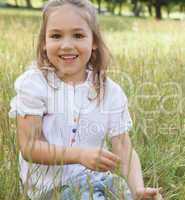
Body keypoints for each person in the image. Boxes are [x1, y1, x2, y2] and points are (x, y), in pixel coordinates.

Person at [9, 0, 162, 199]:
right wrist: (79, 155)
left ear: (94, 41)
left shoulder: (109, 91)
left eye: (78, 35)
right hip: (51, 189)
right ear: (45, 43)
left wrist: (137, 189)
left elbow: (124, 147)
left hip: (97, 180)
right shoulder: (35, 84)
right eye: (56, 36)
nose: (66, 45)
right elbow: (30, 146)